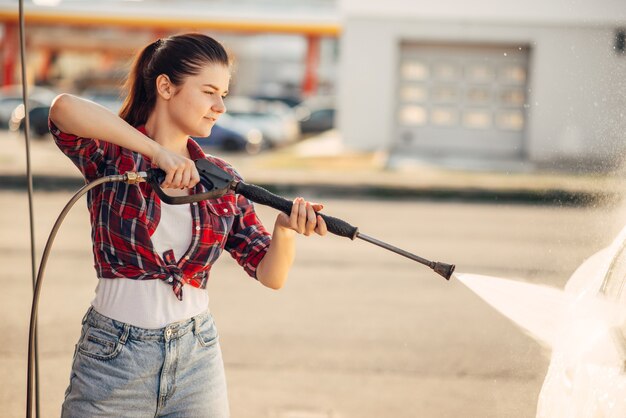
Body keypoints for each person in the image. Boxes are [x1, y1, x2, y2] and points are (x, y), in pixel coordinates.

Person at [48, 33, 327, 418]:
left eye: (224, 94)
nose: (220, 106)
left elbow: (270, 274)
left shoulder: (222, 178)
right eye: (209, 91)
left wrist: (284, 229)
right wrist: (156, 152)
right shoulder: (113, 155)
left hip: (197, 358)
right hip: (113, 358)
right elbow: (62, 110)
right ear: (165, 86)